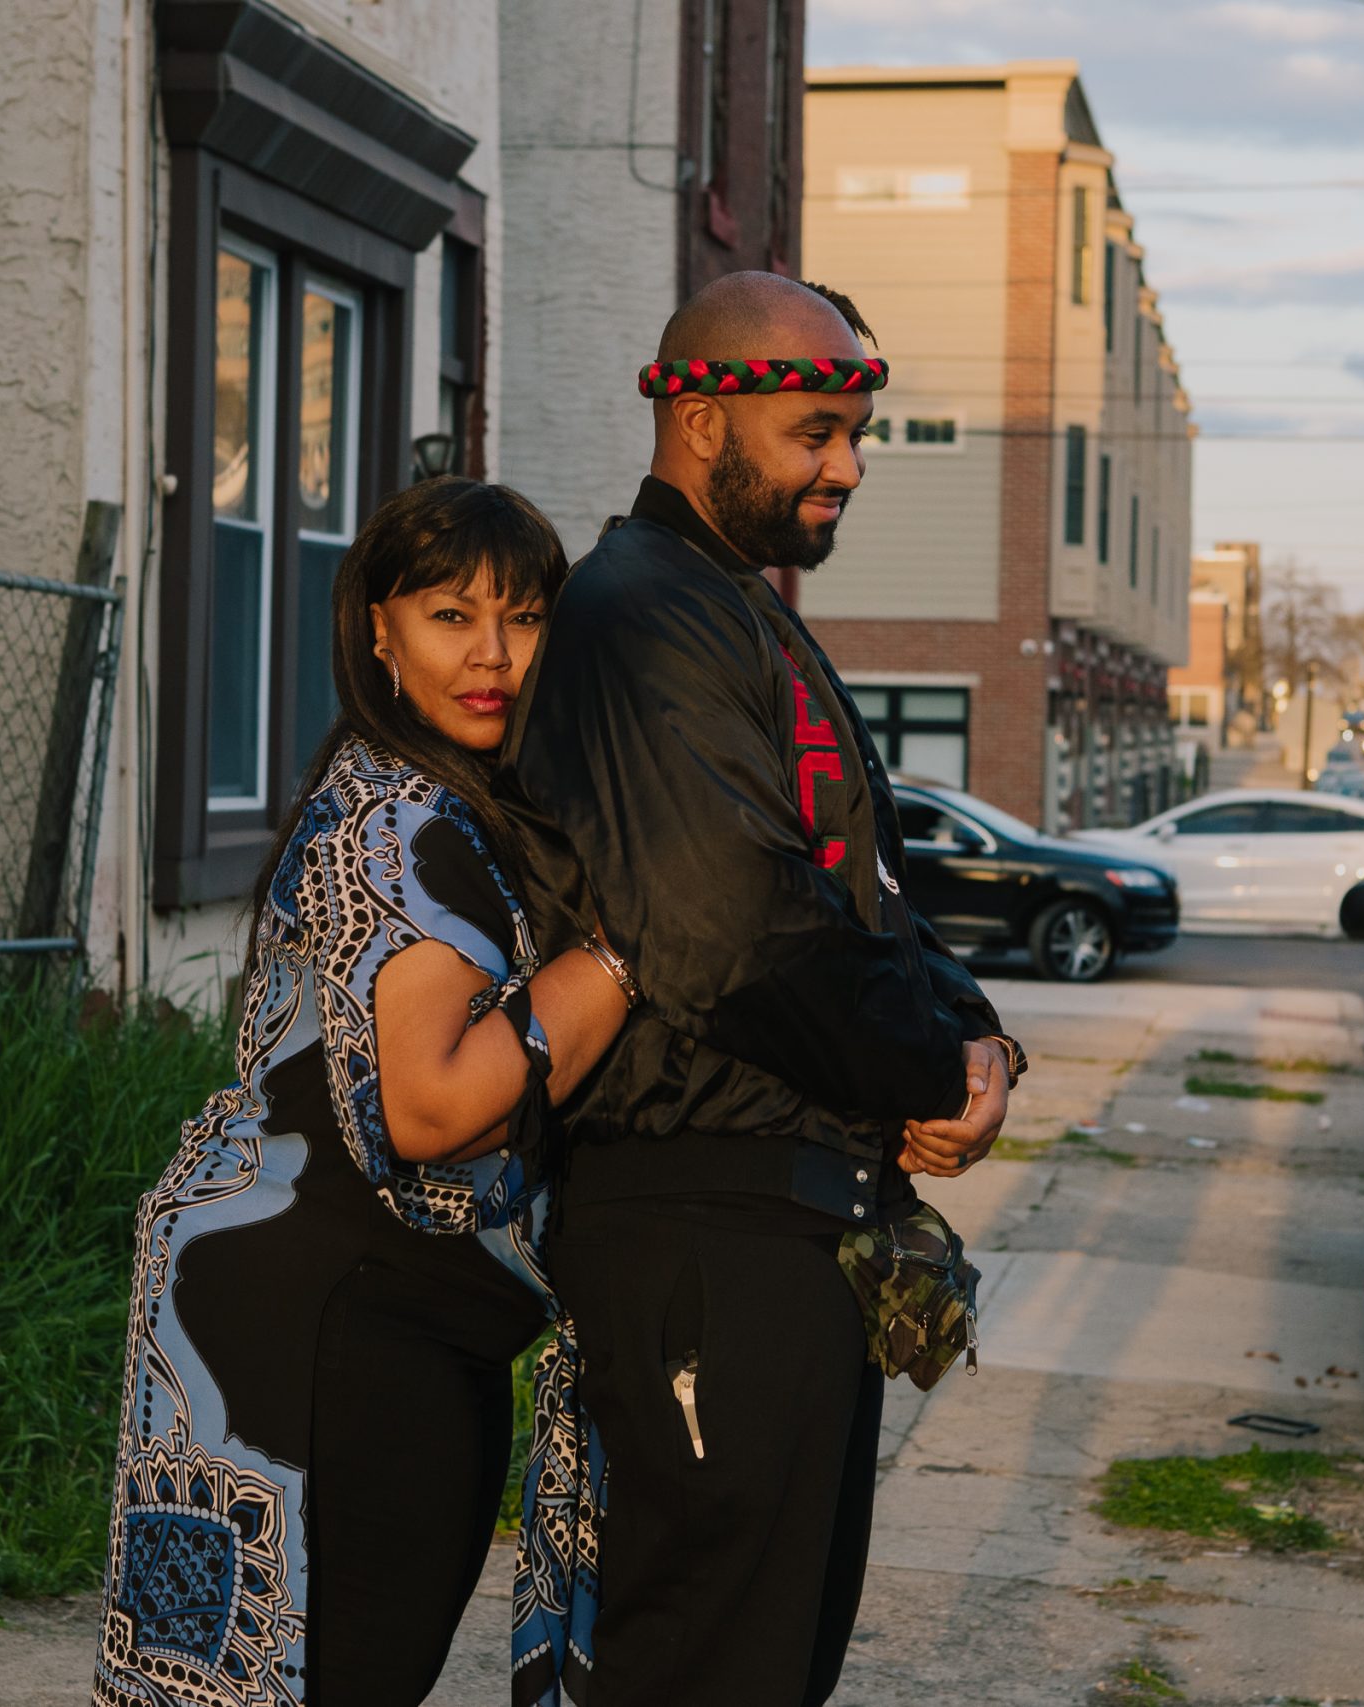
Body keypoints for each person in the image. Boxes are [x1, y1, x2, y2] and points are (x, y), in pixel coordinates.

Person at [496, 272, 1020, 1706]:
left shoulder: (734, 610)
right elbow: (730, 929)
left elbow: (862, 892)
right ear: (697, 418)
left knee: (770, 1662)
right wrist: (924, 1074)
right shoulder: (635, 614)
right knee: (706, 1665)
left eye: (856, 433)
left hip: (787, 1234)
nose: (847, 467)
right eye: (814, 433)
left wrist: (980, 1041)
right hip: (701, 1226)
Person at [94, 478, 628, 1707]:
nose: (492, 656)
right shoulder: (395, 822)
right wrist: (627, 949)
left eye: (525, 618)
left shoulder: (458, 797)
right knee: (338, 1676)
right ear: (378, 630)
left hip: (351, 1306)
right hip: (333, 1324)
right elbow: (429, 1109)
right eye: (451, 616)